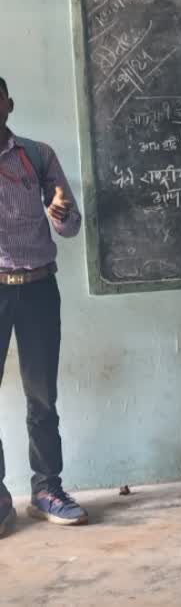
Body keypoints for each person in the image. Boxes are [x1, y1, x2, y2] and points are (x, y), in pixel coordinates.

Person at [0, 75, 88, 538]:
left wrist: (62, 214)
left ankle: (46, 490)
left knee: (42, 397)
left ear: (8, 105)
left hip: (36, 288)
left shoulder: (36, 155)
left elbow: (70, 224)